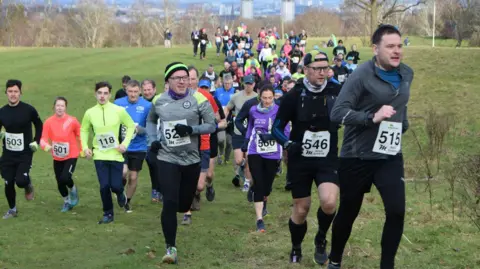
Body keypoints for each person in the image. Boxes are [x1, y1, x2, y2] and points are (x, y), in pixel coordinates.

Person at [327, 25, 412, 269]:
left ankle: (387, 265)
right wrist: (371, 117)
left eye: (399, 46)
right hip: (357, 156)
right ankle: (335, 259)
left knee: (396, 211)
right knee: (349, 211)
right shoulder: (361, 75)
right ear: (376, 49)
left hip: (389, 155)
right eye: (390, 47)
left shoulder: (407, 74)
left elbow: (401, 104)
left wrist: (401, 123)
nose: (397, 51)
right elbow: (337, 113)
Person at [271, 51, 342, 265]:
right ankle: (296, 245)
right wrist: (287, 143)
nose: (323, 73)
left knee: (329, 203)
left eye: (326, 68)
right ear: (306, 70)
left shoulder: (336, 91)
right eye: (318, 69)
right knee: (301, 209)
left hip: (327, 157)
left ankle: (321, 238)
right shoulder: (294, 95)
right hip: (300, 158)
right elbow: (276, 128)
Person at [146, 62, 215, 264]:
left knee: (183, 203)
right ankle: (170, 248)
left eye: (185, 77)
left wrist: (192, 130)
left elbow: (212, 124)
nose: (183, 81)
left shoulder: (199, 98)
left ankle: (186, 203)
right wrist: (153, 141)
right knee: (169, 202)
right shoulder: (158, 100)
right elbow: (150, 121)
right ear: (168, 81)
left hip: (191, 159)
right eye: (178, 78)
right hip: (167, 158)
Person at [80, 81, 136, 224]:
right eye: (99, 93)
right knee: (104, 186)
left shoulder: (118, 110)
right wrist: (85, 147)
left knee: (116, 186)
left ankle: (120, 193)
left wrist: (124, 144)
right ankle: (108, 213)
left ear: (110, 95)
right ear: (95, 94)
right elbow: (84, 130)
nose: (102, 96)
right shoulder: (90, 113)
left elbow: (130, 126)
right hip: (99, 155)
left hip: (116, 154)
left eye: (105, 93)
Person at [243, 85, 288, 232]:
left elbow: (286, 130)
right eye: (264, 98)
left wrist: (275, 137)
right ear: (259, 98)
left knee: (267, 186)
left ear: (274, 97)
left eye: (270, 98)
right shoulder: (253, 110)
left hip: (273, 152)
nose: (267, 101)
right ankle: (259, 220)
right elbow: (250, 126)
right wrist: (246, 139)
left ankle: (263, 197)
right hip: (255, 150)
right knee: (259, 183)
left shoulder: (279, 111)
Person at [181, 66, 223, 225]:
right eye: (187, 78)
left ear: (197, 80)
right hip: (185, 145)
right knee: (186, 179)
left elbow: (218, 117)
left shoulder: (205, 96)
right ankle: (187, 213)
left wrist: (209, 120)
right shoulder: (177, 97)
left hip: (204, 143)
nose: (189, 82)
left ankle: (199, 193)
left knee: (199, 185)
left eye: (192, 79)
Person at [0, 79, 42, 219]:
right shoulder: (2, 112)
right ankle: (12, 210)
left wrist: (36, 141)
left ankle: (27, 184)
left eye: (16, 91)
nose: (13, 94)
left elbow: (39, 125)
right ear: (6, 93)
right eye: (10, 91)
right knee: (8, 182)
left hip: (24, 153)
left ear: (20, 93)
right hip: (7, 154)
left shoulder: (28, 110)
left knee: (20, 181)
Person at [114, 80, 152, 212]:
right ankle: (120, 192)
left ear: (140, 92)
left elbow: (151, 128)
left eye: (136, 92)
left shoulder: (147, 106)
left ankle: (127, 201)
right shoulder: (118, 104)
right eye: (130, 91)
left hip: (139, 146)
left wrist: (139, 129)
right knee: (123, 173)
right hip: (122, 145)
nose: (133, 94)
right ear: (126, 91)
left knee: (133, 176)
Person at [40, 97, 81, 212]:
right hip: (57, 156)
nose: (60, 108)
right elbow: (42, 138)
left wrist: (83, 149)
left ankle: (73, 190)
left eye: (62, 106)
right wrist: (47, 147)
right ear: (54, 107)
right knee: (59, 182)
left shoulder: (72, 121)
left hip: (71, 154)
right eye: (58, 105)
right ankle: (66, 202)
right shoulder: (49, 122)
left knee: (65, 177)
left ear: (65, 108)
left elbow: (80, 134)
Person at [224, 75, 258, 191]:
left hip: (251, 133)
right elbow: (228, 108)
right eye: (247, 83)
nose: (248, 86)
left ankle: (247, 183)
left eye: (251, 84)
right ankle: (243, 168)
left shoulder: (258, 98)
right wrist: (224, 118)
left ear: (254, 84)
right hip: (238, 131)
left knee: (249, 157)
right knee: (239, 160)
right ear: (243, 84)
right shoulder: (236, 96)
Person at [141, 79, 162, 202]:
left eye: (149, 89)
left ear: (154, 89)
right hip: (145, 141)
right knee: (152, 165)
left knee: (161, 166)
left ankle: (160, 190)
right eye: (145, 90)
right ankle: (156, 189)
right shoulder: (141, 103)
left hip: (159, 139)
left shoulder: (159, 101)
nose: (147, 92)